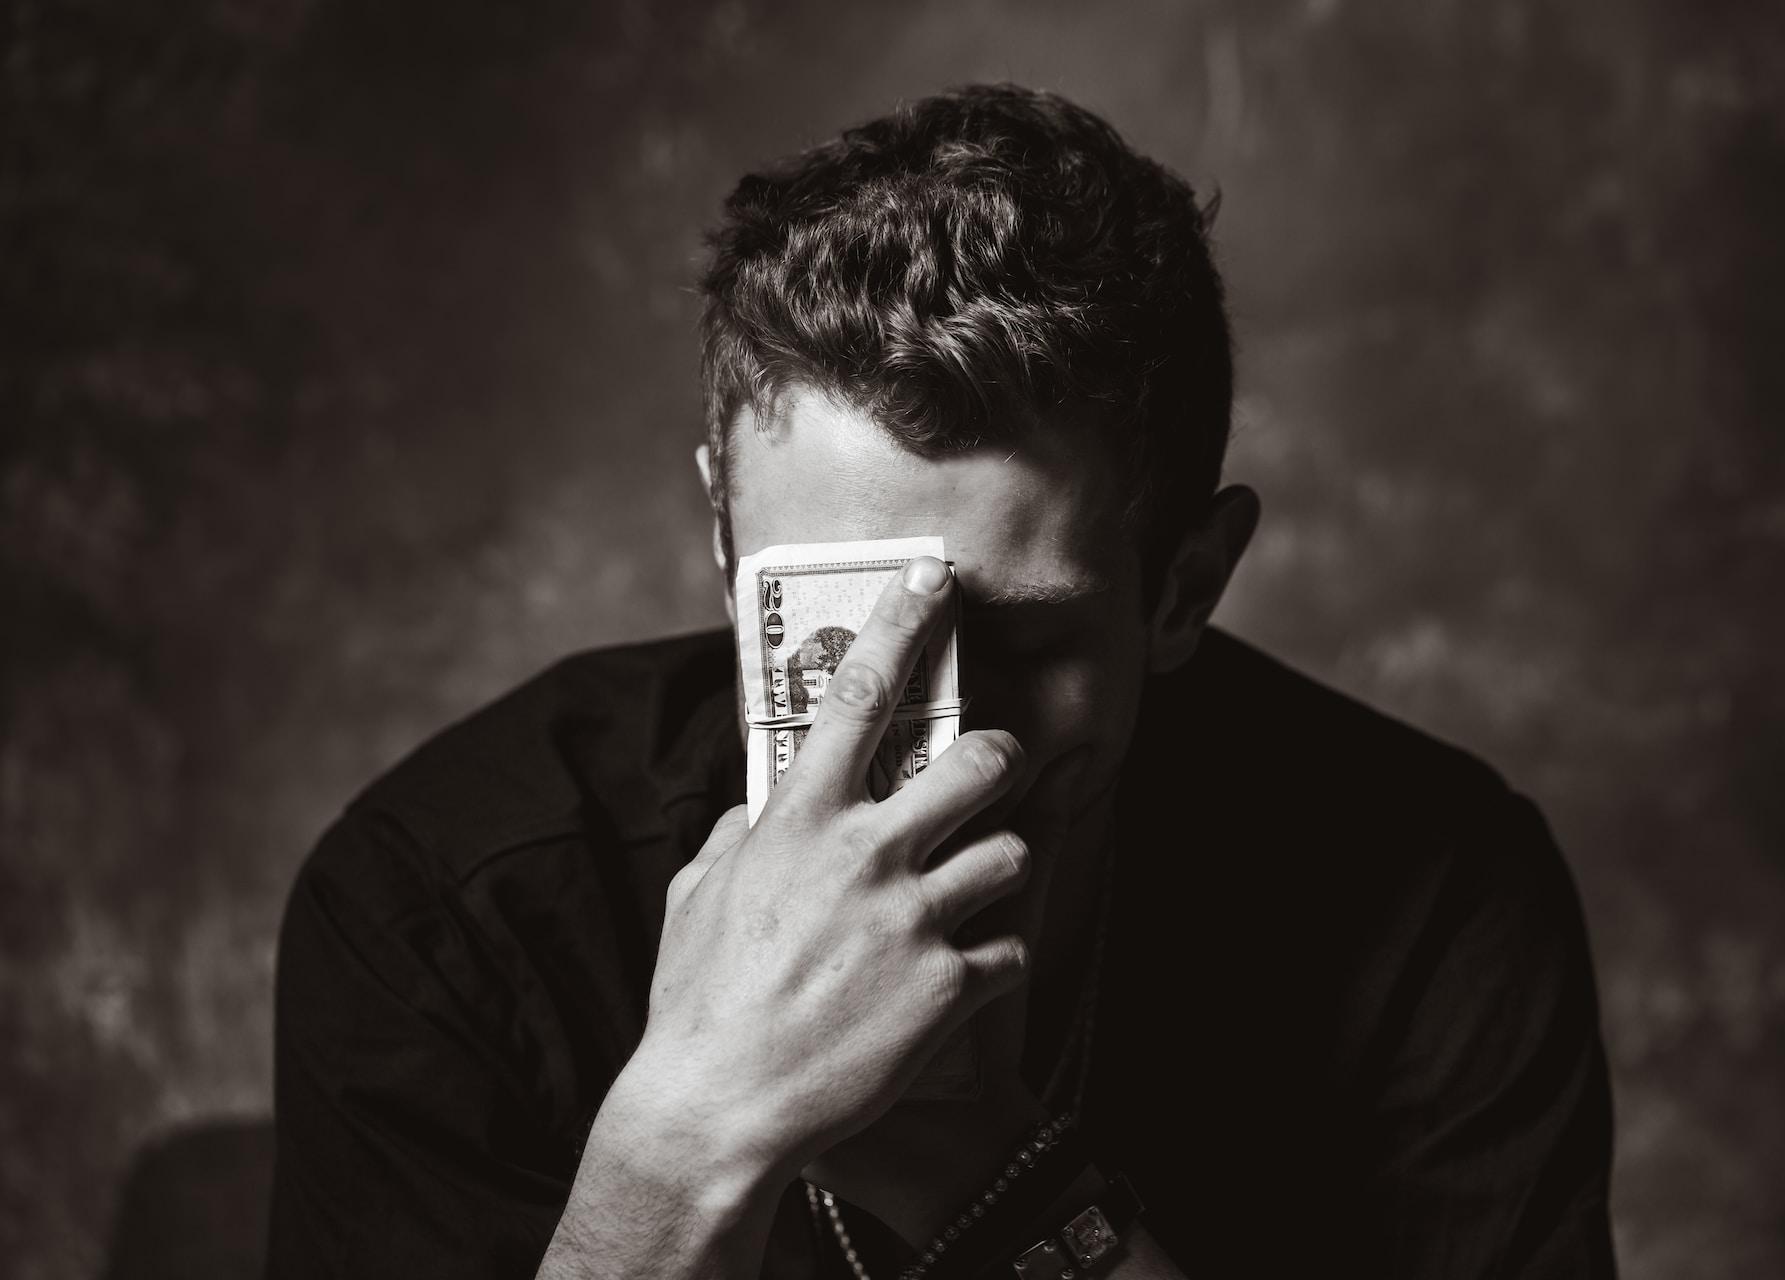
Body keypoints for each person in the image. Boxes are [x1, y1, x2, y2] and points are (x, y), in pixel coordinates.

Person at [266, 84, 1616, 1278]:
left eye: (1020, 640)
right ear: (728, 548)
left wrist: (975, 1172)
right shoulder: (446, 896)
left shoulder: (1439, 893)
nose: (942, 733)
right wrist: (678, 1144)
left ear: (1186, 588)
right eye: (840, 628)